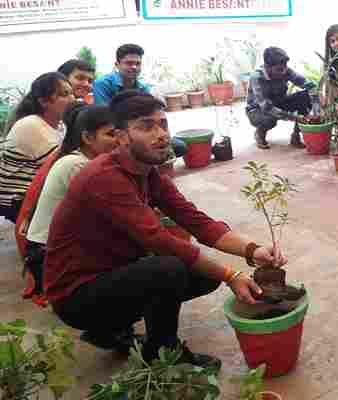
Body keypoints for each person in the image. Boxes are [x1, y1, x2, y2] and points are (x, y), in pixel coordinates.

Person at [44, 91, 288, 366]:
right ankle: (162, 352)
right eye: (146, 126)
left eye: (163, 124)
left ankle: (114, 328)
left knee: (202, 275)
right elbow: (157, 239)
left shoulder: (147, 172)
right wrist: (231, 275)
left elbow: (195, 221)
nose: (160, 134)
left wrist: (252, 250)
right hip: (76, 294)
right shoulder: (103, 177)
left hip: (112, 273)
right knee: (168, 269)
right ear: (121, 136)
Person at [22, 103, 117, 303]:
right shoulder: (77, 165)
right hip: (47, 256)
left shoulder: (84, 160)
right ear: (88, 138)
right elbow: (109, 212)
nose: (119, 140)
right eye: (110, 134)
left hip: (51, 249)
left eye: (120, 132)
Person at [0, 72, 73, 223]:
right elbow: (60, 165)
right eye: (64, 94)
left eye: (71, 93)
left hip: (35, 191)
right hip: (18, 197)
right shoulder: (31, 124)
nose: (72, 99)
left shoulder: (59, 125)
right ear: (44, 101)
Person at [246, 47, 314, 150]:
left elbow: (309, 85)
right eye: (279, 69)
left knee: (305, 97)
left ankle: (296, 136)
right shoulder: (257, 77)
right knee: (270, 118)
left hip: (278, 102)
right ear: (267, 67)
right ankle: (260, 132)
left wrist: (317, 107)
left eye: (285, 67)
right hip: (258, 110)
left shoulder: (285, 70)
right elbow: (267, 107)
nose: (284, 71)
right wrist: (294, 117)